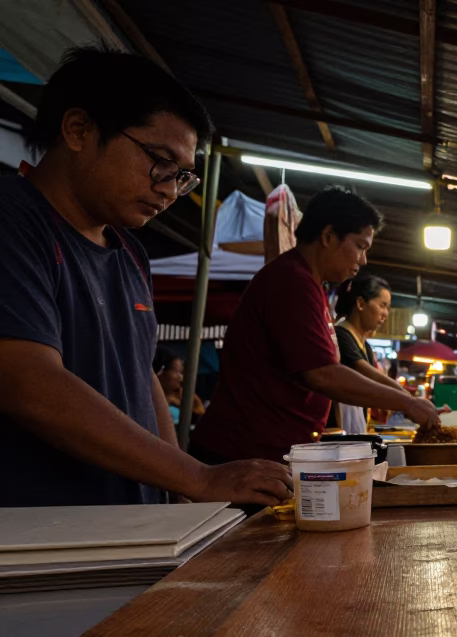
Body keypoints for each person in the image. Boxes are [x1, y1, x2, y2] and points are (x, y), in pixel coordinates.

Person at [0, 47, 290, 507]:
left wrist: (177, 488)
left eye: (183, 177)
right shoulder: (14, 221)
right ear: (79, 130)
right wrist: (197, 476)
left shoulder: (129, 251)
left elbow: (143, 372)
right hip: (40, 549)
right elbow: (26, 382)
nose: (170, 190)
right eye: (159, 161)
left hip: (134, 533)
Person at [192, 187, 442, 463]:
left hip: (270, 451)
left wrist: (408, 400)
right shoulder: (291, 282)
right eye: (360, 246)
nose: (363, 260)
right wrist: (406, 402)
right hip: (243, 454)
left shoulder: (312, 286)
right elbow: (322, 373)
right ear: (328, 236)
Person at [334, 275, 411, 433]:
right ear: (361, 303)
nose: (385, 314)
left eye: (388, 308)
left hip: (354, 427)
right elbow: (371, 375)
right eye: (382, 306)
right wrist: (410, 401)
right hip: (337, 428)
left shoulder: (365, 346)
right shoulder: (340, 335)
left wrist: (410, 401)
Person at [153, 348, 205, 427]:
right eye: (176, 372)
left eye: (181, 373)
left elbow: (200, 418)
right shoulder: (148, 398)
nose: (181, 377)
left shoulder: (185, 396)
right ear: (161, 373)